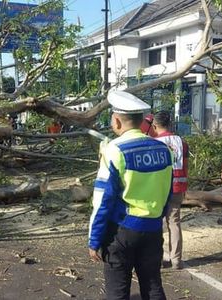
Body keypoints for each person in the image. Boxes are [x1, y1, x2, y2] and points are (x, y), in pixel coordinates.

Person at [88, 91, 173, 300]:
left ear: (117, 121)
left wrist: (94, 240)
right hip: (153, 229)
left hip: (122, 231)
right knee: (153, 286)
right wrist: (156, 218)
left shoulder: (113, 150)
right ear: (143, 121)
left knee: (118, 291)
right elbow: (167, 192)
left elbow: (103, 201)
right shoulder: (164, 149)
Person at [149, 111, 189, 270]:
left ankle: (157, 259)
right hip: (178, 185)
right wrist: (185, 186)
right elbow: (185, 166)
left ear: (155, 125)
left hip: (159, 188)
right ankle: (177, 260)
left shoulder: (153, 142)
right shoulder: (181, 141)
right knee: (174, 223)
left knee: (156, 223)